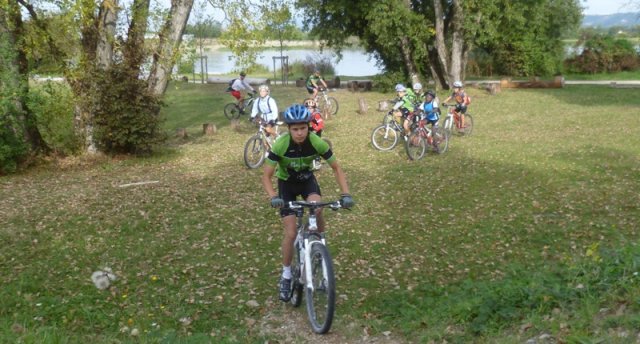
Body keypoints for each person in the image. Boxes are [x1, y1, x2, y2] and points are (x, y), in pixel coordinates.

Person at [261, 104, 354, 302]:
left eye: (303, 128)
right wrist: (272, 197)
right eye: (295, 129)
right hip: (286, 185)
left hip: (307, 183)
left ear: (308, 127)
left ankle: (319, 244)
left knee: (318, 209)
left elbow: (337, 168)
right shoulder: (280, 144)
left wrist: (345, 193)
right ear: (289, 129)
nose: (300, 133)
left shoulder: (317, 142)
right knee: (291, 232)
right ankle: (286, 275)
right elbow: (266, 176)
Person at [304, 98, 325, 170]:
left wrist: (315, 130)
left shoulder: (316, 115)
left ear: (314, 108)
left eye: (311, 108)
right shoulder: (306, 115)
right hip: (309, 130)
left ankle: (317, 161)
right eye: (308, 108)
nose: (309, 109)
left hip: (316, 131)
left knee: (315, 147)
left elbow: (321, 124)